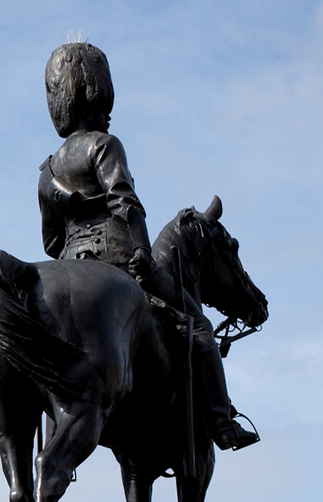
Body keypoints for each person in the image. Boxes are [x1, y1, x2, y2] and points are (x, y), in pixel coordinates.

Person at [37, 41, 258, 451]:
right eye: (105, 100)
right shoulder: (105, 145)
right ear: (94, 94)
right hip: (119, 263)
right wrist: (141, 253)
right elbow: (125, 200)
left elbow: (51, 242)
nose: (109, 111)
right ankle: (222, 422)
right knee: (200, 329)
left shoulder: (47, 170)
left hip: (69, 264)